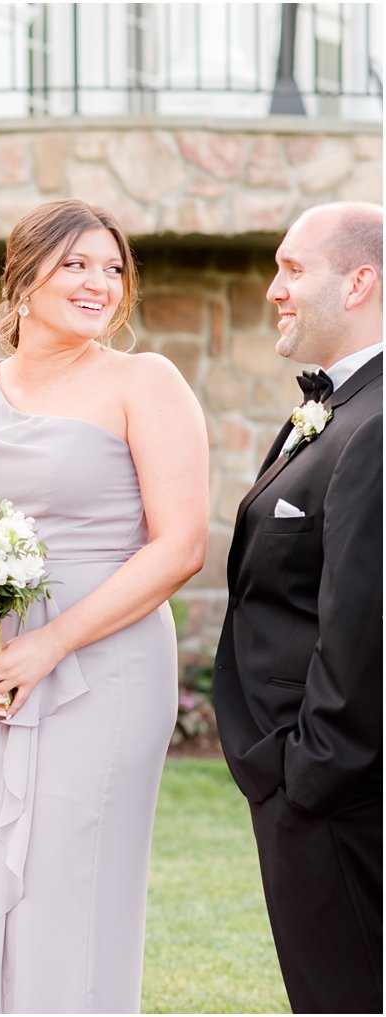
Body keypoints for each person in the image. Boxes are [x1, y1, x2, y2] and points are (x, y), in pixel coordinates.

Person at [0, 198, 207, 1012]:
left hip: (102, 671)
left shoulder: (142, 382)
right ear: (23, 274)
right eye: (77, 263)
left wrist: (50, 646)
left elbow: (179, 545)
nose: (100, 283)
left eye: (114, 268)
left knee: (67, 887)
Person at [212, 202, 382, 1014]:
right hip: (306, 790)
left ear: (360, 283)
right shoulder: (335, 410)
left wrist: (308, 776)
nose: (274, 289)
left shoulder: (378, 424)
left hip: (340, 798)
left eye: (292, 269)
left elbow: (364, 627)